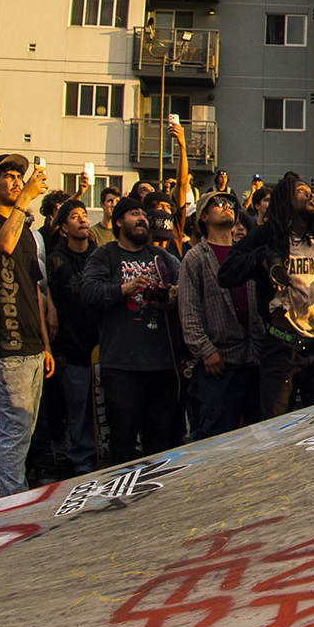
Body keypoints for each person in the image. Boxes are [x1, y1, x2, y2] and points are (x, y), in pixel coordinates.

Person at [216, 172, 314, 418]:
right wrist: (261, 258)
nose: (310, 194)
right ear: (284, 200)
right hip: (282, 348)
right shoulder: (265, 235)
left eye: (310, 192)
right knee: (277, 425)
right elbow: (226, 274)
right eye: (300, 191)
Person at [0, 154, 54, 498]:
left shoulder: (28, 233)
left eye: (20, 175)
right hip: (4, 340)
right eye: (7, 175)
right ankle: (11, 505)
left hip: (32, 342)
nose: (17, 180)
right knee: (15, 429)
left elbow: (35, 288)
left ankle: (13, 497)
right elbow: (1, 245)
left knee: (25, 429)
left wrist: (46, 344)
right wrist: (25, 200)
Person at [79, 196, 184, 462]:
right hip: (122, 366)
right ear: (118, 222)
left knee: (160, 444)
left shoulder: (162, 257)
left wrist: (171, 299)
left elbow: (184, 293)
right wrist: (123, 289)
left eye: (143, 215)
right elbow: (88, 292)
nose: (142, 219)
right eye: (134, 214)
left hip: (161, 365)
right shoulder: (105, 255)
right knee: (123, 443)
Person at [177, 192, 264, 438]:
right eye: (219, 204)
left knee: (260, 436)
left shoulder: (246, 253)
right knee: (217, 437)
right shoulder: (195, 258)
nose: (227, 207)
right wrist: (205, 350)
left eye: (230, 204)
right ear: (203, 216)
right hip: (218, 365)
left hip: (254, 358)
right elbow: (189, 311)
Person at [44, 199, 100, 476]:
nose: (82, 220)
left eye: (84, 215)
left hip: (101, 346)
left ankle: (103, 451)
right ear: (64, 227)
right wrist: (58, 349)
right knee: (77, 406)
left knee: (101, 404)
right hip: (71, 346)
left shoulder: (99, 255)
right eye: (75, 217)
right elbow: (53, 307)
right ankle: (80, 457)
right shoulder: (56, 259)